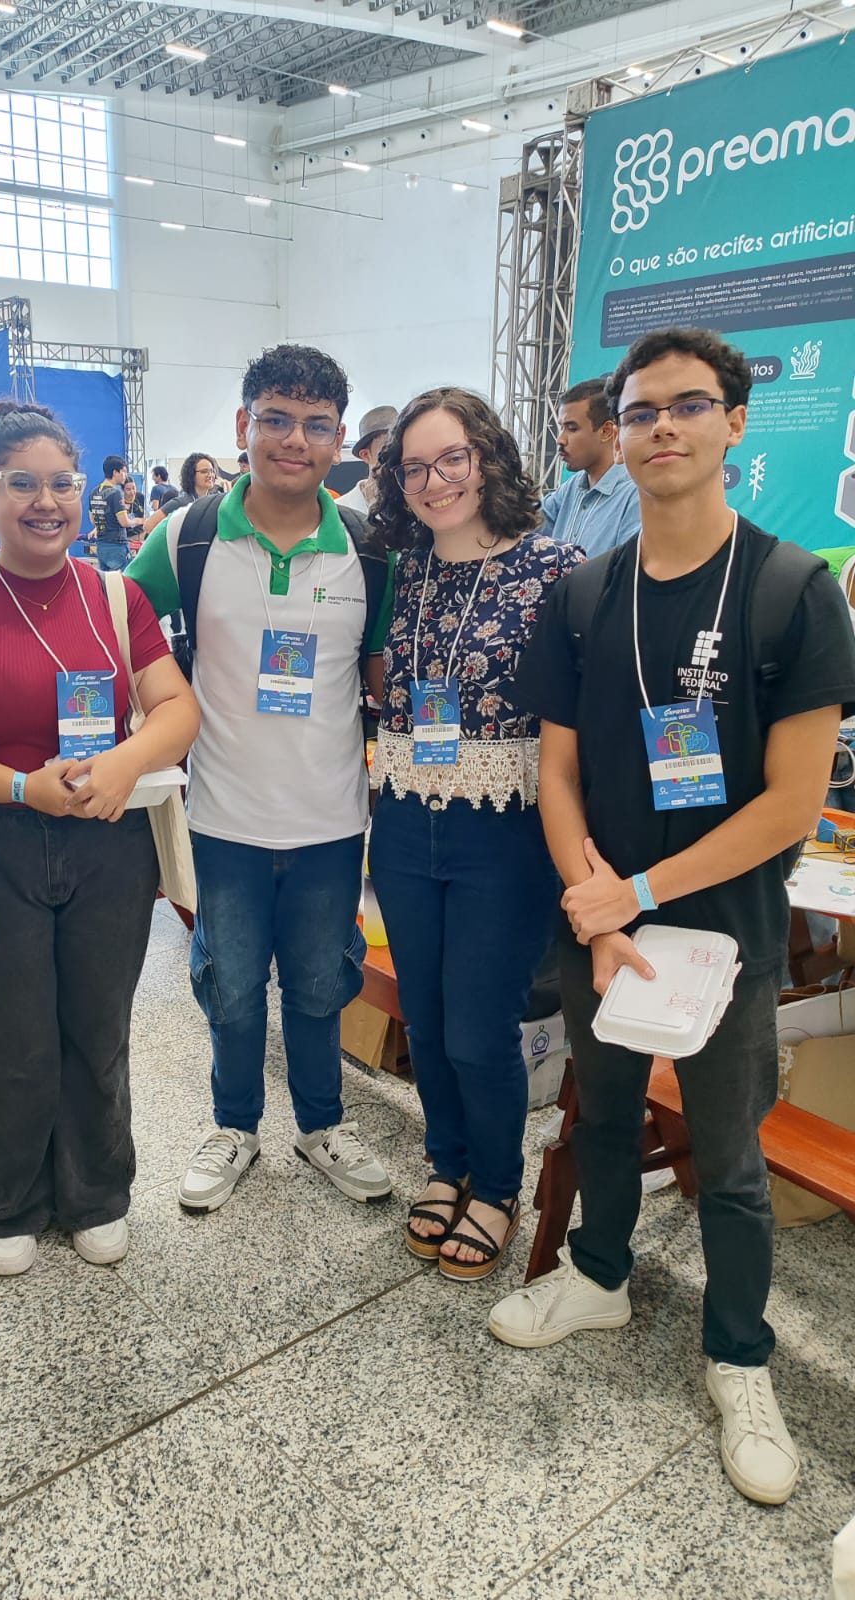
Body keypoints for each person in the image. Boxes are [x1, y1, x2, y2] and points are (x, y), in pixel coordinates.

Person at [489, 327, 855, 1507]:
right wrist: (596, 911)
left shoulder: (794, 590)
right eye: (642, 409)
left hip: (723, 935)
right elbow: (555, 770)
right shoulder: (584, 593)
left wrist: (638, 895)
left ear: (735, 422)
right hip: (598, 922)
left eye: (689, 405)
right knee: (599, 1114)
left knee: (731, 1156)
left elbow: (792, 802)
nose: (662, 427)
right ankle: (598, 1273)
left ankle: (739, 1354)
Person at [0, 402, 199, 1275]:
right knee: (13, 1040)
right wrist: (18, 785)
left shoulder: (115, 595)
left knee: (99, 1029)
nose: (46, 502)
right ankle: (11, 1201)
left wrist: (123, 763)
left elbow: (176, 707)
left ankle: (98, 1193)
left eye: (62, 484)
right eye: (22, 484)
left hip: (108, 840)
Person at [127, 344, 393, 1214]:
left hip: (330, 820)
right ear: (245, 425)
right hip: (224, 818)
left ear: (339, 439)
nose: (294, 441)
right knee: (231, 990)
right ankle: (234, 1126)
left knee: (320, 987)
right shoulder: (188, 538)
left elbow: (385, 677)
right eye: (275, 419)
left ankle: (321, 1126)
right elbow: (116, 631)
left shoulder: (369, 551)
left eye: (316, 425)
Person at [367, 390, 584, 1279]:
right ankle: (445, 1165)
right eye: (414, 467)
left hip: (505, 829)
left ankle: (495, 1185)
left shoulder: (555, 567)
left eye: (451, 458)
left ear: (488, 456)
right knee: (425, 1014)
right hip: (403, 815)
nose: (433, 481)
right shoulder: (402, 569)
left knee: (479, 1026)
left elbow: (583, 711)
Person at [540, 377, 640, 558]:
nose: (560, 440)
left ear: (606, 431)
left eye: (572, 428)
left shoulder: (636, 496)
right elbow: (524, 525)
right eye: (561, 428)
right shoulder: (572, 488)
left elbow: (628, 569)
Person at [337, 405, 398, 515]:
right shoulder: (339, 511)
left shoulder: (417, 506)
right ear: (365, 455)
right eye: (387, 452)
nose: (397, 458)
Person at [142, 453, 219, 535]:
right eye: (204, 471)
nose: (210, 475)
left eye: (212, 471)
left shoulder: (210, 501)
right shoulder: (181, 502)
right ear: (191, 474)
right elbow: (148, 526)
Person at [88, 454, 139, 571]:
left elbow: (93, 520)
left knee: (106, 580)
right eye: (124, 471)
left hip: (101, 545)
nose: (125, 475)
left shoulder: (94, 492)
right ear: (115, 472)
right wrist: (137, 521)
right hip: (117, 545)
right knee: (121, 579)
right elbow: (124, 522)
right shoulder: (115, 493)